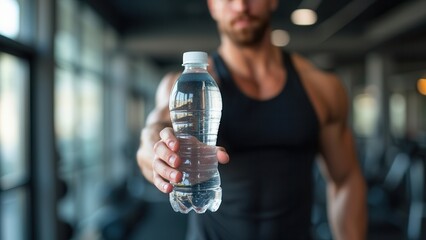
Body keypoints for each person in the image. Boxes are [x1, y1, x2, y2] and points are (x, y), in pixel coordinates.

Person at [137, 0, 367, 239]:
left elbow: (345, 180)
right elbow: (154, 133)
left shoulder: (322, 88)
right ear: (212, 5)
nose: (241, 6)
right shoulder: (190, 86)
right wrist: (160, 154)